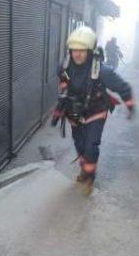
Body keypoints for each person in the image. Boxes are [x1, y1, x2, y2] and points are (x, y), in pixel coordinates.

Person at [56, 26, 135, 194]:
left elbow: (122, 87)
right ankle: (85, 167)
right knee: (80, 145)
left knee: (91, 146)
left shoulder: (101, 71)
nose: (77, 54)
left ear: (90, 51)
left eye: (82, 51)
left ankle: (89, 176)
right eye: (74, 50)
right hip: (74, 114)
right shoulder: (65, 67)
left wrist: (129, 103)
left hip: (95, 111)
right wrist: (60, 108)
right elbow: (63, 85)